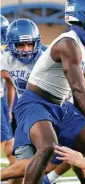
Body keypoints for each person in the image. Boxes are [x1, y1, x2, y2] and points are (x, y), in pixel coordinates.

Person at [11, 0, 85, 183]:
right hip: (35, 102)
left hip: (62, 107)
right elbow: (79, 90)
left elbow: (78, 98)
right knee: (48, 146)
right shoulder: (68, 43)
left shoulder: (83, 49)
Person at [0, 18, 42, 184]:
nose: (25, 50)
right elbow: (8, 77)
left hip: (47, 114)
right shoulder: (7, 59)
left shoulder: (45, 59)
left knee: (38, 163)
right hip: (26, 115)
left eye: (29, 44)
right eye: (20, 45)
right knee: (24, 163)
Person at [0, 15, 21, 184]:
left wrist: (8, 108)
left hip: (1, 101)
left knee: (10, 144)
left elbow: (9, 83)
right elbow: (8, 75)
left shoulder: (4, 53)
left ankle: (19, 173)